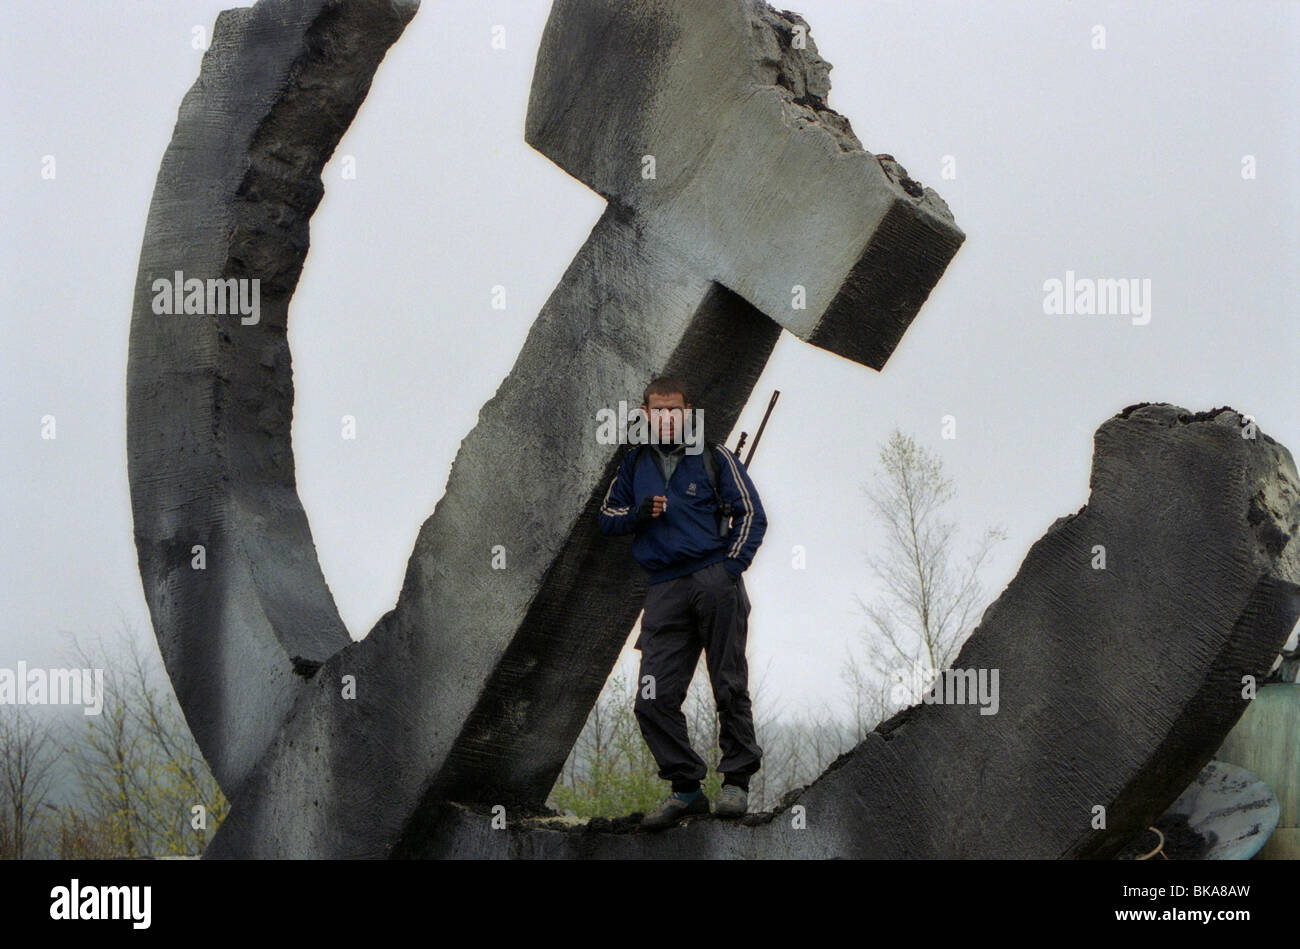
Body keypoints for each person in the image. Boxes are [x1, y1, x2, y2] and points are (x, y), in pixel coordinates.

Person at [597, 376, 767, 830]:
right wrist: (637, 514)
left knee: (728, 683)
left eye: (674, 410)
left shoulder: (716, 456)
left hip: (714, 580)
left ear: (688, 413)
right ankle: (687, 789)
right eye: (657, 410)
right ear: (646, 415)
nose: (667, 417)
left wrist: (729, 569)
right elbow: (607, 518)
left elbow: (751, 513)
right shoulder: (634, 463)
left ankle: (736, 782)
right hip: (664, 589)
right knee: (651, 698)